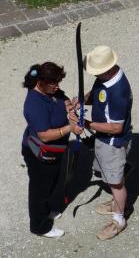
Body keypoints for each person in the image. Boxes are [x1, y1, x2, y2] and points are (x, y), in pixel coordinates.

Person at [21, 62, 83, 238]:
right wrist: (70, 129)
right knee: (39, 191)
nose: (57, 86)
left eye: (58, 82)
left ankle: (47, 211)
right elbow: (45, 135)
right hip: (40, 155)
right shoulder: (34, 104)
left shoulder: (52, 90)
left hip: (54, 152)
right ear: (41, 82)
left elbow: (63, 98)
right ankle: (40, 227)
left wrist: (70, 108)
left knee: (51, 184)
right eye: (53, 83)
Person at [80, 45, 133, 240]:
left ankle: (119, 219)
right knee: (111, 174)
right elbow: (96, 94)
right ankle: (118, 200)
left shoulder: (118, 92)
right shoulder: (106, 78)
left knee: (116, 182)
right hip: (103, 140)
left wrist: (86, 123)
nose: (96, 75)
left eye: (97, 72)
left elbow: (116, 128)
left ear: (109, 69)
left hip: (112, 142)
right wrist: (82, 100)